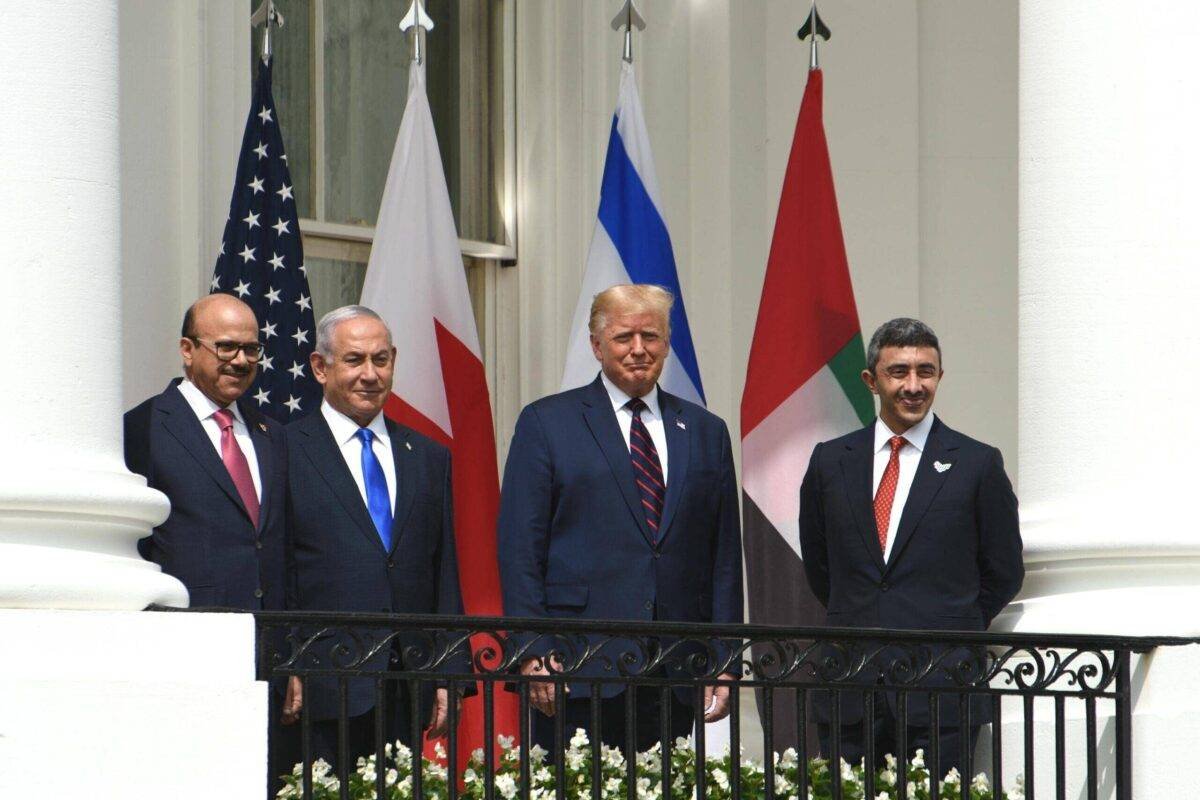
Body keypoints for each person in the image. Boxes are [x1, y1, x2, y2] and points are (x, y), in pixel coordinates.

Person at [497, 284, 743, 754]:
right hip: (575, 665)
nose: (638, 349)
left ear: (666, 344)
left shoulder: (706, 431)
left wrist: (725, 659)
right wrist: (532, 648)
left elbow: (724, 557)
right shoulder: (547, 423)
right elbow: (520, 549)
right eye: (623, 337)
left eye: (650, 336)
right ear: (596, 345)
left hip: (674, 668)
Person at [798, 317, 1024, 776]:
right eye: (899, 372)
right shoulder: (829, 462)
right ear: (871, 380)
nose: (914, 386)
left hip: (942, 687)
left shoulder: (977, 464)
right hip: (851, 686)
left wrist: (948, 626)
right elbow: (821, 567)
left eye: (926, 371)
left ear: (940, 376)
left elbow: (1003, 570)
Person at [123, 292, 297, 790]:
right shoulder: (144, 427)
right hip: (185, 652)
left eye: (251, 349)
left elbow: (281, 549)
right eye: (225, 347)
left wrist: (293, 657)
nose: (240, 360)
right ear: (187, 349)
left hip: (267, 660)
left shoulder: (271, 434)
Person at [283, 305, 468, 769]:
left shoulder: (428, 456)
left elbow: (443, 573)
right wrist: (284, 662)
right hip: (323, 683)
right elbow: (278, 566)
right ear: (320, 367)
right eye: (354, 360)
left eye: (380, 360)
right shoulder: (283, 450)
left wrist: (449, 674)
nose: (370, 374)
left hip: (408, 684)